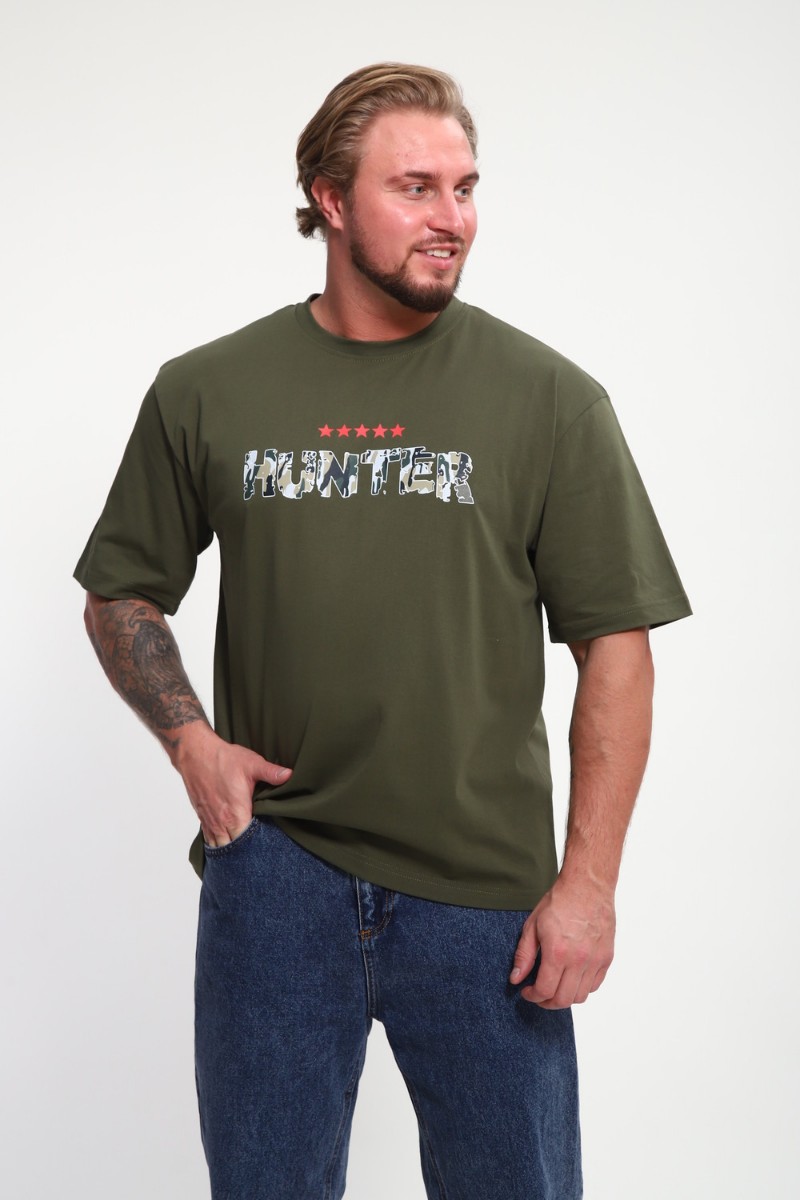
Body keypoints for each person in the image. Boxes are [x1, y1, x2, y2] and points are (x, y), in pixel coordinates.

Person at [75, 62, 691, 1200]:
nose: (451, 218)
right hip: (277, 874)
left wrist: (589, 885)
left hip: (485, 893)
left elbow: (616, 644)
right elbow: (121, 591)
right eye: (415, 188)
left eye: (465, 188)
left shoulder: (549, 399)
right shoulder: (207, 389)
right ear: (328, 198)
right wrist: (191, 744)